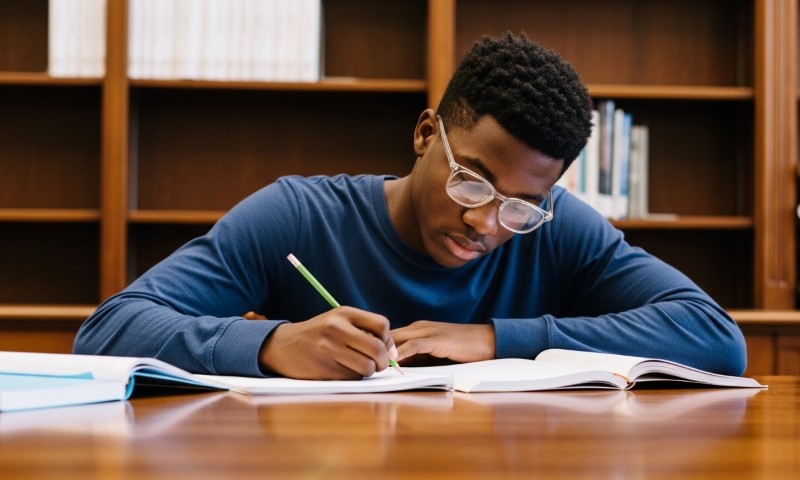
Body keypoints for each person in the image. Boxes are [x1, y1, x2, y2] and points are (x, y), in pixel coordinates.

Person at [73, 32, 747, 379]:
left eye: (519, 207)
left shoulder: (554, 226)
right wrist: (271, 344)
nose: (486, 223)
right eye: (472, 183)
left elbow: (713, 336)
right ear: (427, 134)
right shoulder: (298, 217)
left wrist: (493, 340)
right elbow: (107, 331)